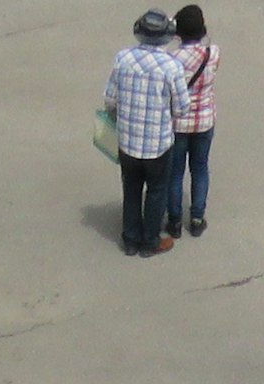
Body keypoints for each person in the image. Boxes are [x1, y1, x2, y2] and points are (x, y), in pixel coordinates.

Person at [106, 9, 191, 257]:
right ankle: (150, 241)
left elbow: (110, 99)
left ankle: (130, 239)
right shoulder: (171, 67)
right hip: (157, 144)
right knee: (156, 191)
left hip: (127, 141)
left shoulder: (122, 59)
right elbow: (183, 107)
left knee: (131, 188)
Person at [164, 6, 216, 239]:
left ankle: (174, 221)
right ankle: (197, 218)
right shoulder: (212, 53)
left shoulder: (171, 59)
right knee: (200, 168)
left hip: (177, 123)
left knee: (174, 173)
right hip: (204, 121)